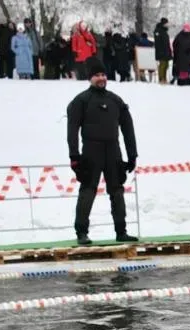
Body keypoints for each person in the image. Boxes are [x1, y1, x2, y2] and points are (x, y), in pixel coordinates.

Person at [67, 57, 139, 246]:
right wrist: (74, 156)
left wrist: (132, 155)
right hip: (91, 151)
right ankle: (81, 232)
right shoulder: (81, 100)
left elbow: (128, 128)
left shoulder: (115, 100)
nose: (101, 78)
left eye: (103, 75)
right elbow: (72, 129)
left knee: (117, 191)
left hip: (113, 150)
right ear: (90, 78)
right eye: (97, 75)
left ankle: (121, 231)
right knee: (88, 190)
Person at [153, 17, 170, 83]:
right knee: (162, 64)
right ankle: (161, 78)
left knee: (166, 65)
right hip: (161, 51)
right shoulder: (158, 30)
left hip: (166, 50)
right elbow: (157, 41)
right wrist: (160, 49)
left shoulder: (165, 31)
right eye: (166, 23)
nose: (167, 24)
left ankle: (164, 78)